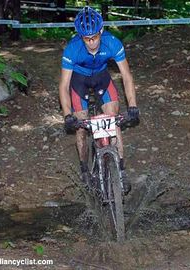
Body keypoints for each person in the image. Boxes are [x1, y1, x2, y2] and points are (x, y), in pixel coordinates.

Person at [59, 6, 139, 195]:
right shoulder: (72, 49)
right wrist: (67, 115)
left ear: (101, 31)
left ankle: (120, 170)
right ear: (80, 36)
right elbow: (63, 85)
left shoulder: (112, 43)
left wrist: (133, 105)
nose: (92, 42)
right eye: (87, 38)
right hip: (79, 81)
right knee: (80, 127)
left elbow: (126, 76)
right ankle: (85, 170)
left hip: (102, 77)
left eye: (95, 36)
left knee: (113, 121)